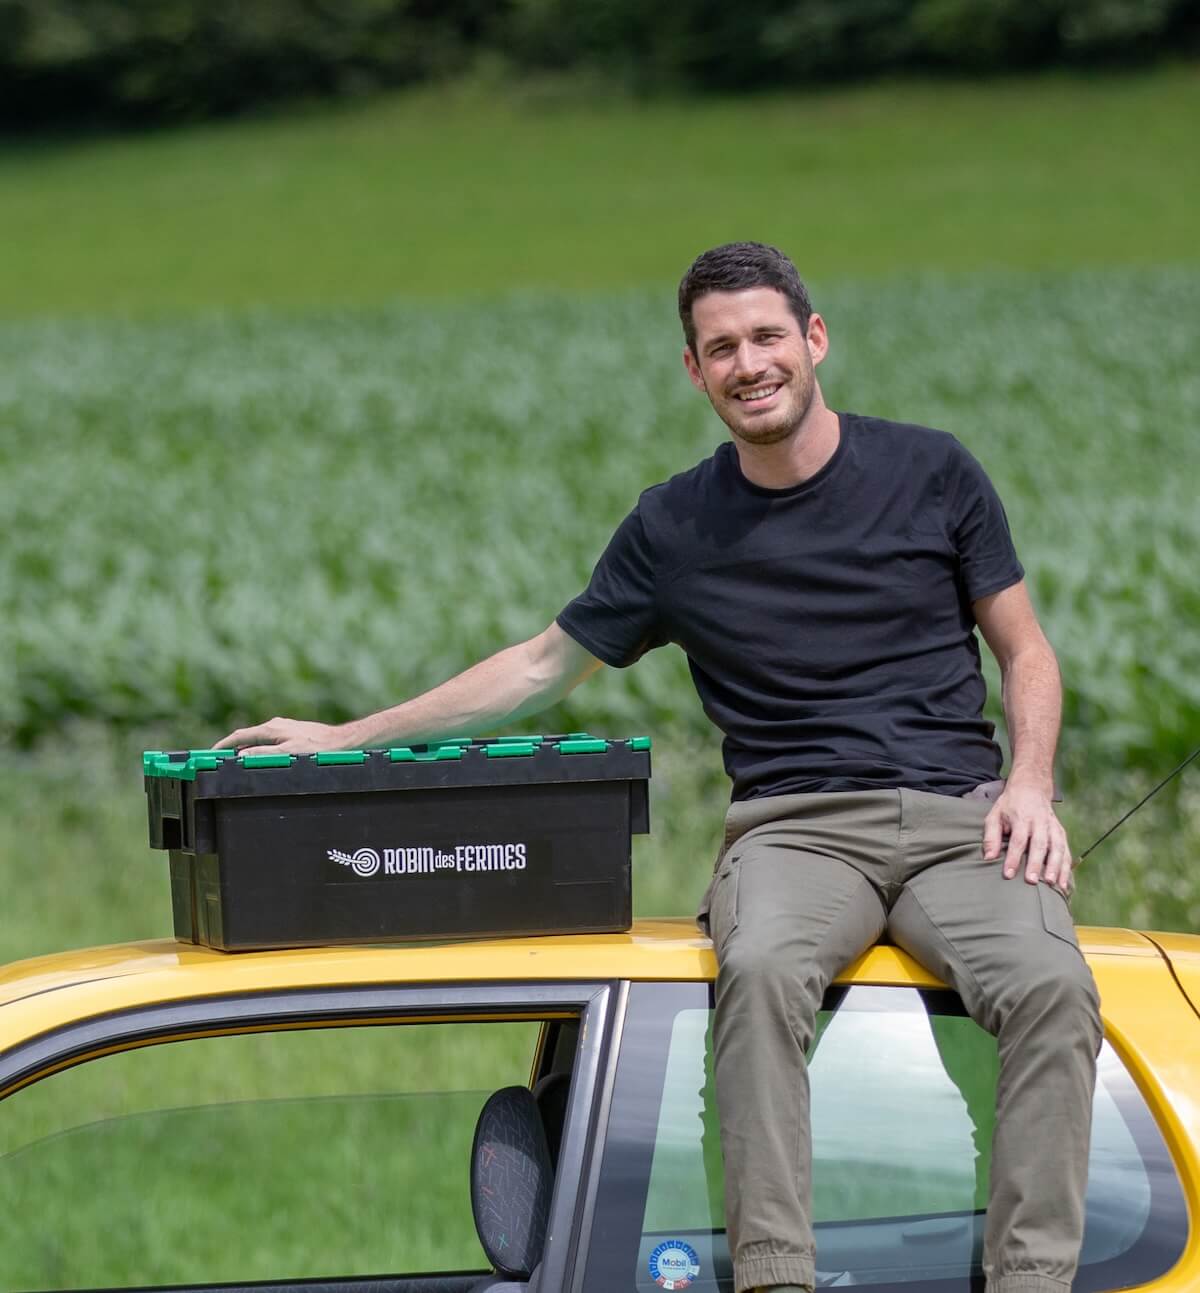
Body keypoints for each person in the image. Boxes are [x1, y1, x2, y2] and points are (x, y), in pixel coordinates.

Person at [219, 242, 1101, 1293]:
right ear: (695, 371)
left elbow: (1027, 649)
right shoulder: (674, 525)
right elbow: (543, 664)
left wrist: (1031, 783)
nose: (749, 363)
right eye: (721, 348)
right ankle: (776, 1277)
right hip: (796, 827)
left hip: (961, 817)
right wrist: (347, 737)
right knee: (764, 972)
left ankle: (1037, 1280)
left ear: (814, 340)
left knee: (1052, 984)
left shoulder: (933, 471)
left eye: (767, 336)